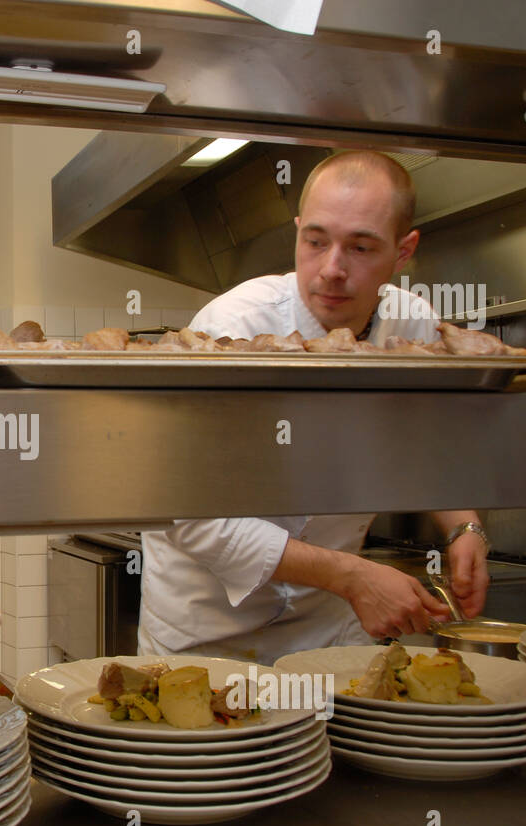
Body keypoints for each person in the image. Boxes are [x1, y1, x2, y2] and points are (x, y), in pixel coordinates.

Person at [139, 150, 490, 661]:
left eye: (361, 247)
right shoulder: (230, 330)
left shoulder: (411, 327)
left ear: (403, 250)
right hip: (205, 636)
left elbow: (421, 440)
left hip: (328, 633)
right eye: (316, 241)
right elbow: (190, 514)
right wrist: (352, 577)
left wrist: (463, 526)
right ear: (298, 230)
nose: (331, 270)